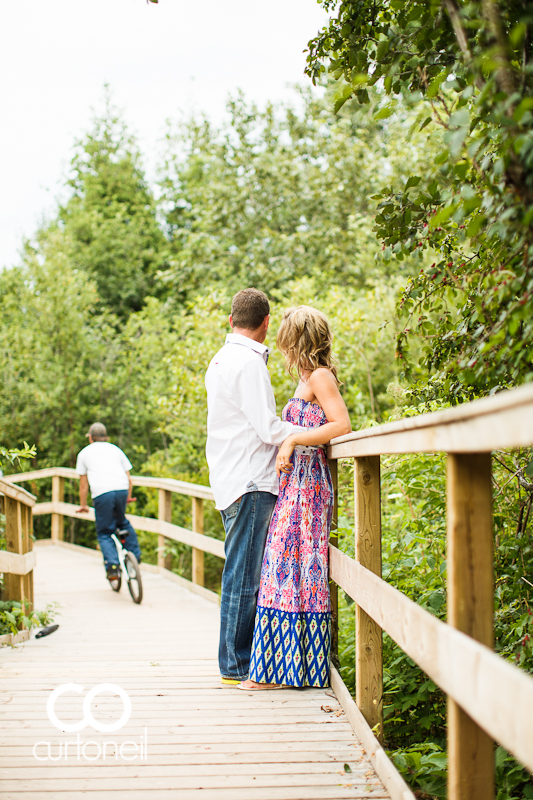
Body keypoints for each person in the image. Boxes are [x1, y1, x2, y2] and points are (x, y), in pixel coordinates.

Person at [240, 305, 351, 690]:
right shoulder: (306, 377)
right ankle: (284, 668)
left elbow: (342, 424)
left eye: (286, 335)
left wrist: (292, 439)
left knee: (292, 566)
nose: (280, 341)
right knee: (285, 566)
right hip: (294, 481)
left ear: (298, 338)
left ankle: (284, 671)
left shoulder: (320, 376)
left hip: (309, 483)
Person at [205, 288, 307, 685]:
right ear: (266, 323)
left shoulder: (220, 360)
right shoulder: (249, 364)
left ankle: (237, 659)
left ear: (231, 321)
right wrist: (312, 433)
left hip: (232, 477)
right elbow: (268, 429)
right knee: (245, 576)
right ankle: (236, 664)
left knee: (240, 572)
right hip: (249, 480)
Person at [76, 422, 141, 580]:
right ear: (105, 437)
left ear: (90, 437)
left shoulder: (84, 453)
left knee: (105, 532)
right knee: (122, 522)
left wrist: (83, 505)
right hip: (121, 490)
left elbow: (83, 486)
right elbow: (129, 479)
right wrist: (128, 497)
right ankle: (135, 557)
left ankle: (112, 567)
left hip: (102, 493)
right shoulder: (116, 450)